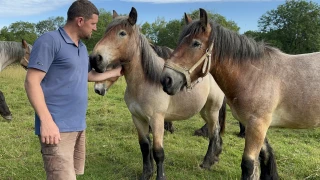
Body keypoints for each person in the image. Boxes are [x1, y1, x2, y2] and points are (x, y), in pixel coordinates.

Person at [24, 0, 122, 179]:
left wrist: (114, 72)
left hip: (77, 125)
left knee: (71, 175)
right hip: (56, 126)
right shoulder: (50, 41)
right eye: (93, 24)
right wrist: (46, 122)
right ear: (80, 21)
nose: (94, 28)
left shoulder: (82, 48)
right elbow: (32, 81)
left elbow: (86, 76)